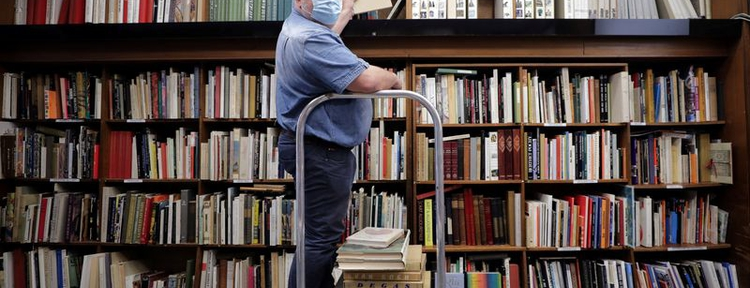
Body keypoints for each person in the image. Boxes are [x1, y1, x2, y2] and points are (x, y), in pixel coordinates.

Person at [274, 0, 403, 287]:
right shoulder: (312, 39)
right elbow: (368, 81)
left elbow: (326, 37)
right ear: (299, 1)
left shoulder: (298, 25)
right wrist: (392, 78)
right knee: (321, 239)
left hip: (313, 147)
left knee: (317, 237)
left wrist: (344, 14)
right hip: (321, 151)